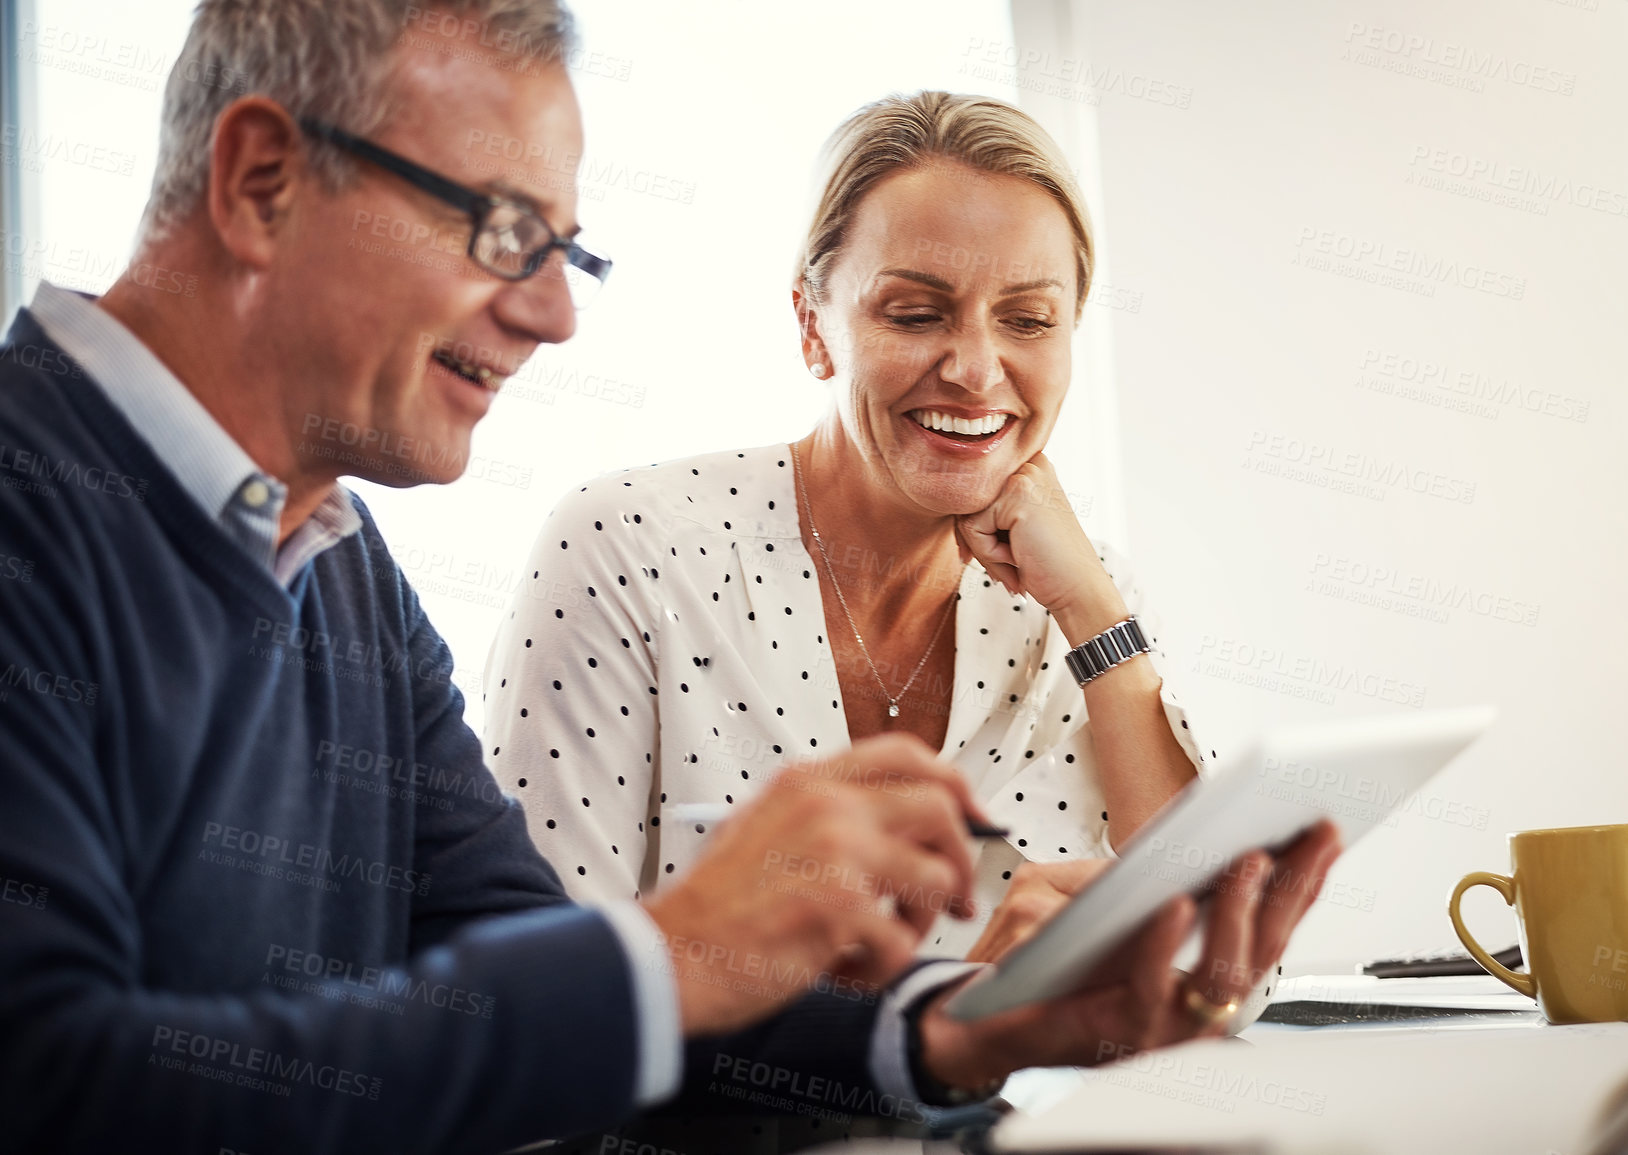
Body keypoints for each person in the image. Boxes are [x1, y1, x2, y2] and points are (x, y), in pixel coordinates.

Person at [0, 3, 1341, 1152]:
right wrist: (678, 944)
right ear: (260, 182)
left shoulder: (340, 569)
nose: (552, 312)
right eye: (499, 229)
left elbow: (538, 983)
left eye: (564, 251)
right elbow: (55, 1077)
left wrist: (952, 1026)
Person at [485, 92, 1212, 956]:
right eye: (915, 314)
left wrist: (1093, 613)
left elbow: (1227, 968)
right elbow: (541, 980)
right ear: (812, 325)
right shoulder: (629, 550)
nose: (978, 370)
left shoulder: (1087, 603)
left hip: (1022, 1100)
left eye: (1027, 320)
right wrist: (935, 1016)